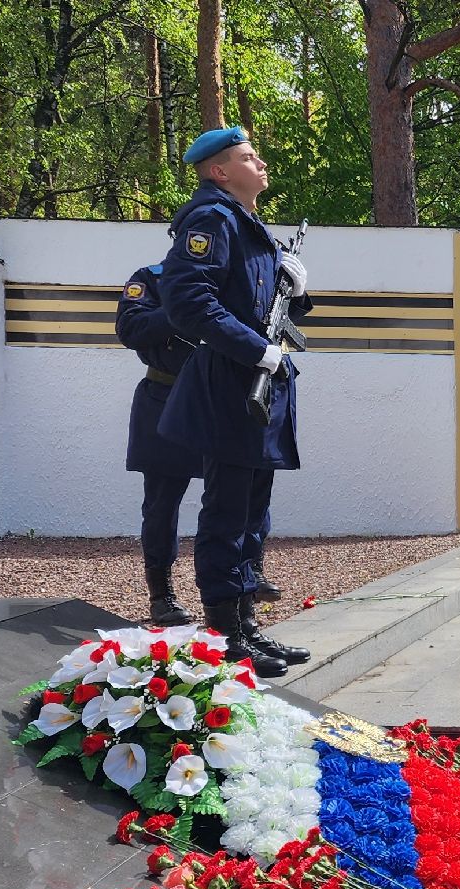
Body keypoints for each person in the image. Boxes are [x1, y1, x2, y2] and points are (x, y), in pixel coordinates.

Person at [155, 127, 314, 676]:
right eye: (249, 157)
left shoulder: (250, 227)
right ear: (219, 171)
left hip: (255, 388)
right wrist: (257, 351)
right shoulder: (211, 220)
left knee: (253, 512)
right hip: (230, 383)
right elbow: (186, 300)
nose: (261, 161)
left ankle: (246, 626)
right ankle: (224, 635)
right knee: (226, 512)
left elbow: (260, 305)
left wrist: (299, 289)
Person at [114, 264, 205, 627]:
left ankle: (235, 591)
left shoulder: (231, 275)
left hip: (222, 400)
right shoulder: (153, 278)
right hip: (164, 396)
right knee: (161, 503)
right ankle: (161, 595)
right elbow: (130, 328)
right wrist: (181, 310)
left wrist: (297, 294)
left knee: (237, 498)